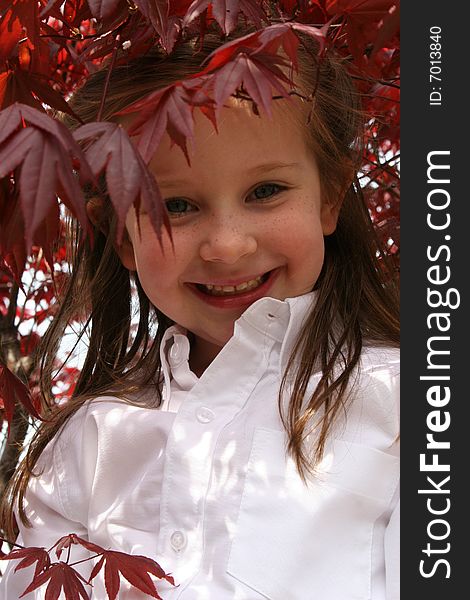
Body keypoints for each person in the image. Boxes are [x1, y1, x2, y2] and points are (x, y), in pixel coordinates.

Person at [0, 27, 399, 600]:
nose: (227, 246)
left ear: (330, 197)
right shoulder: (88, 441)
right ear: (123, 237)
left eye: (265, 191)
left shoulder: (409, 399)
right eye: (177, 206)